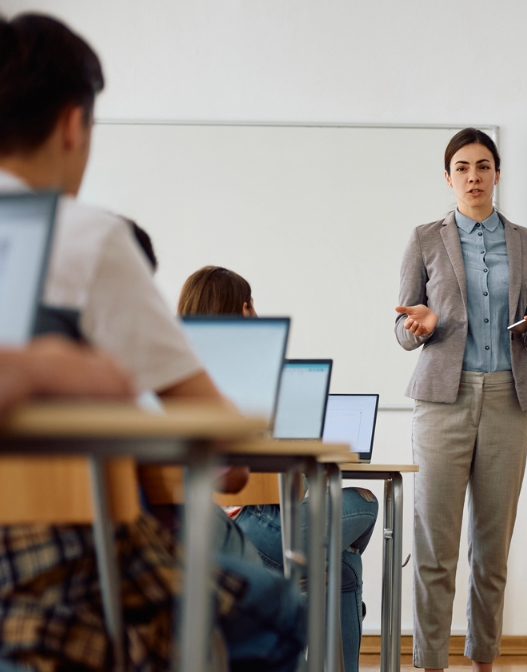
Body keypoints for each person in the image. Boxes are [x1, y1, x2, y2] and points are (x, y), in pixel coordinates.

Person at [0, 12, 304, 670]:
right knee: (283, 612)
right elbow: (221, 435)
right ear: (74, 125)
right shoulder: (87, 237)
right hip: (60, 578)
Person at [394, 128, 527, 671]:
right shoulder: (426, 238)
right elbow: (404, 329)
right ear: (448, 178)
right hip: (441, 403)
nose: (473, 176)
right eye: (463, 168)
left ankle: (484, 661)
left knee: (492, 549)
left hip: (506, 400)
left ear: (498, 173)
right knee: (435, 549)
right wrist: (420, 328)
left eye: (483, 166)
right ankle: (430, 662)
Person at [176, 264, 380, 672]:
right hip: (258, 527)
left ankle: (327, 553)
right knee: (367, 502)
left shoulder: (180, 375)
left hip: (206, 523)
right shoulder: (253, 377)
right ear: (244, 311)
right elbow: (279, 466)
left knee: (340, 564)